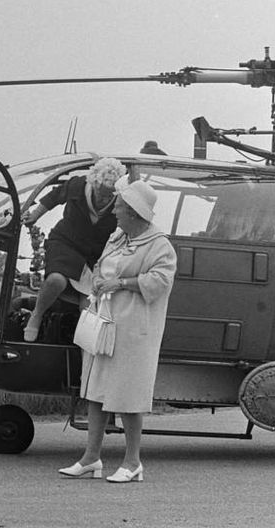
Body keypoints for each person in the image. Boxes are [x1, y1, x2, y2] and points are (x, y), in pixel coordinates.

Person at [58, 178, 176, 483]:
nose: (114, 211)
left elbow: (160, 281)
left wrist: (121, 283)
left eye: (120, 207)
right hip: (105, 322)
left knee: (128, 394)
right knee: (96, 391)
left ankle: (133, 462)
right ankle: (91, 458)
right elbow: (102, 265)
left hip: (134, 329)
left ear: (134, 212)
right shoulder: (118, 236)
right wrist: (98, 280)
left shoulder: (159, 245)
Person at [21, 158, 127, 342]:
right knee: (56, 280)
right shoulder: (77, 186)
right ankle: (37, 314)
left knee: (88, 305)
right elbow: (54, 197)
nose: (103, 200)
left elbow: (128, 225)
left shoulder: (121, 201)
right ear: (93, 184)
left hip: (94, 255)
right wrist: (34, 216)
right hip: (65, 243)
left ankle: (84, 349)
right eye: (101, 194)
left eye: (108, 197)